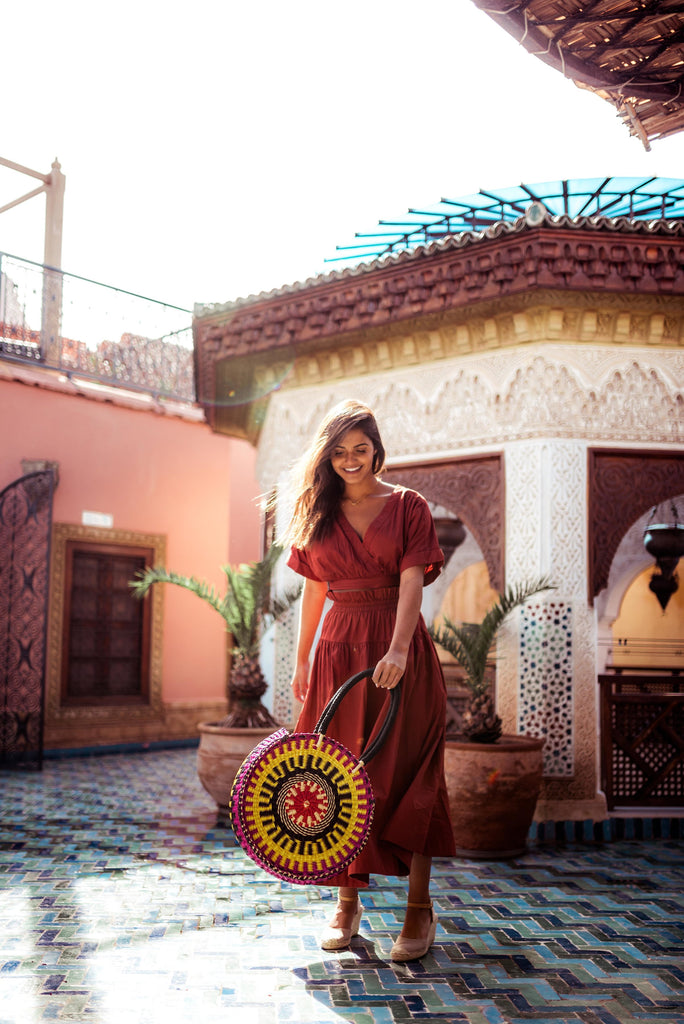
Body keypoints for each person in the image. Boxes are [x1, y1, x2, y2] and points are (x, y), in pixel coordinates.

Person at [285, 398, 455, 961]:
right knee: (336, 775)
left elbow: (413, 581)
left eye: (360, 449)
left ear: (377, 450)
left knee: (410, 772)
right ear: (327, 458)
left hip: (395, 651)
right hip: (337, 649)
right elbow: (314, 588)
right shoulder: (317, 509)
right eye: (339, 452)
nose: (351, 460)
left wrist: (401, 649)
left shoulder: (408, 505)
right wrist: (303, 659)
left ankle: (418, 910)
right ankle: (346, 905)